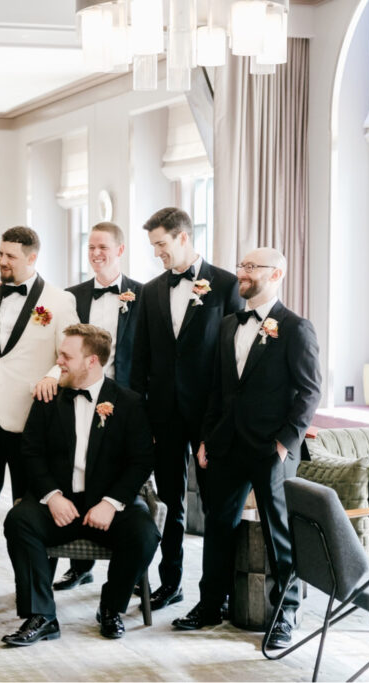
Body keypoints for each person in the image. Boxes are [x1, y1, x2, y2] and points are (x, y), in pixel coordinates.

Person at [173, 248, 321, 650]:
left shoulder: (296, 328)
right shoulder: (227, 325)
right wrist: (205, 438)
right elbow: (218, 390)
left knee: (278, 533)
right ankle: (210, 605)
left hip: (269, 449)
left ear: (277, 274)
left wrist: (283, 443)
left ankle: (284, 614)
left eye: (252, 267)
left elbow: (310, 392)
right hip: (225, 444)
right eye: (242, 265)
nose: (243, 272)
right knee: (218, 527)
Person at [1, 324, 158, 645]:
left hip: (106, 504)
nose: (58, 361)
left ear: (92, 362)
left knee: (145, 533)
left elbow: (141, 461)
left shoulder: (127, 403)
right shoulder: (48, 396)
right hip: (60, 502)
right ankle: (41, 615)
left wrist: (111, 503)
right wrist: (51, 496)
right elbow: (30, 452)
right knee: (18, 522)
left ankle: (112, 606)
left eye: (66, 356)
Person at [0, 226, 80, 596]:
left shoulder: (58, 301)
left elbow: (66, 358)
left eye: (10, 255)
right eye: (0, 253)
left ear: (31, 258)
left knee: (33, 505)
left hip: (31, 417)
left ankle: (32, 583)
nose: (2, 261)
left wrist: (52, 378)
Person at [130, 207, 243, 612]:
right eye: (153, 245)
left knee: (216, 506)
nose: (157, 252)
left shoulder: (227, 285)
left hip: (211, 417)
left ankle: (219, 592)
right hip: (164, 414)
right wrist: (142, 415)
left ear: (182, 237)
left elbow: (234, 361)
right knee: (171, 504)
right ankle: (170, 583)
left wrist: (221, 423)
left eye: (161, 244)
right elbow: (139, 358)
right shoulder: (150, 290)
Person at [51, 221, 144, 592]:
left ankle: (131, 570)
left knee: (126, 479)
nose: (96, 253)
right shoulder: (71, 296)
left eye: (103, 247)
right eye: (90, 247)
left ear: (120, 250)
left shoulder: (142, 294)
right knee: (80, 469)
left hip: (127, 399)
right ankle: (79, 566)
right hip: (82, 393)